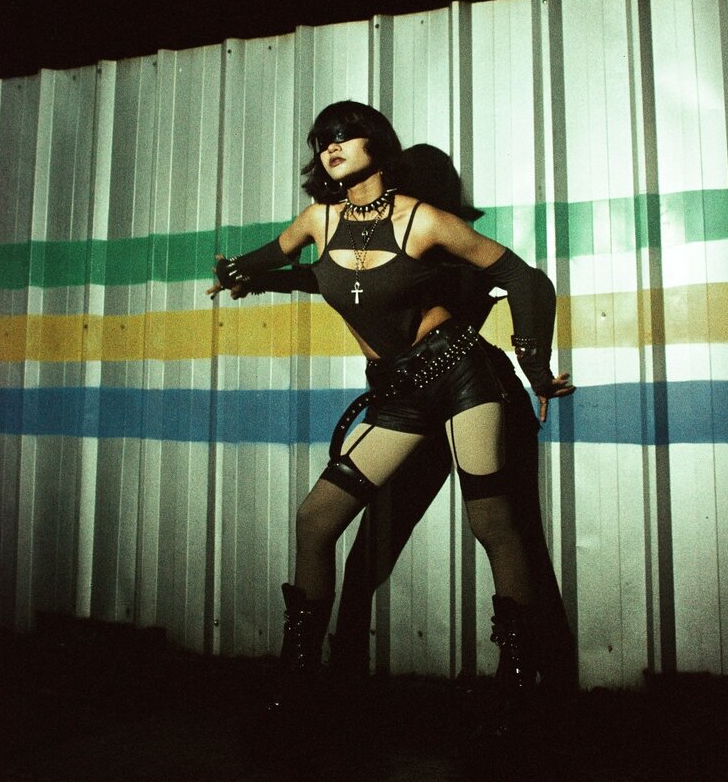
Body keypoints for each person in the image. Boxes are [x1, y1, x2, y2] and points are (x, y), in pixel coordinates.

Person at [208, 101, 575, 718]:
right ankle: (299, 681)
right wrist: (242, 275)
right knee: (316, 519)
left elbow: (526, 279)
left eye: (345, 134)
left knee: (493, 524)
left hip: (460, 375)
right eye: (322, 138)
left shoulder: (423, 221)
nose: (331, 145)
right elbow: (305, 269)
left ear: (376, 144)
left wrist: (534, 366)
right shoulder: (320, 221)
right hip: (399, 394)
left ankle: (519, 687)